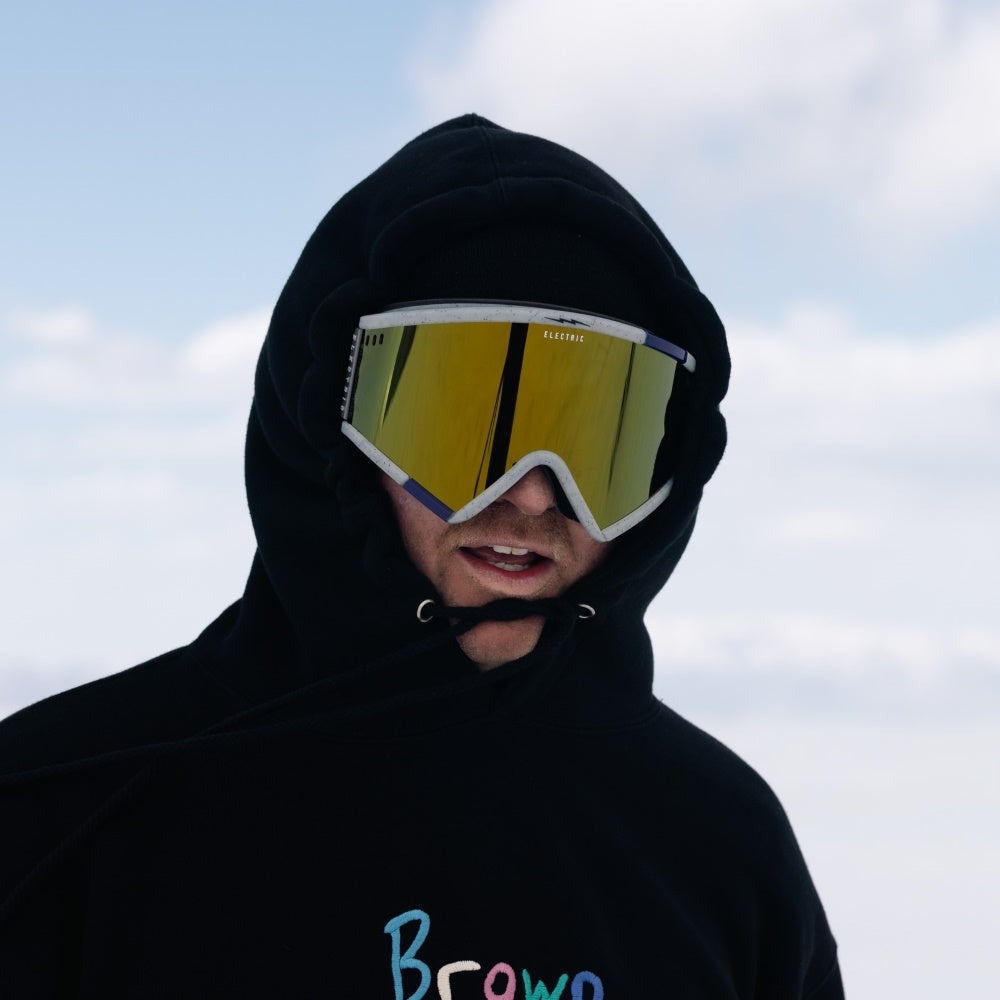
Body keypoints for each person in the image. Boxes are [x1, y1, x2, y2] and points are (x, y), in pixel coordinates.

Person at [0, 115, 844, 998]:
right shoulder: (69, 812)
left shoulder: (720, 845)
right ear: (330, 433)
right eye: (462, 425)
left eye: (602, 437)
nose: (533, 494)